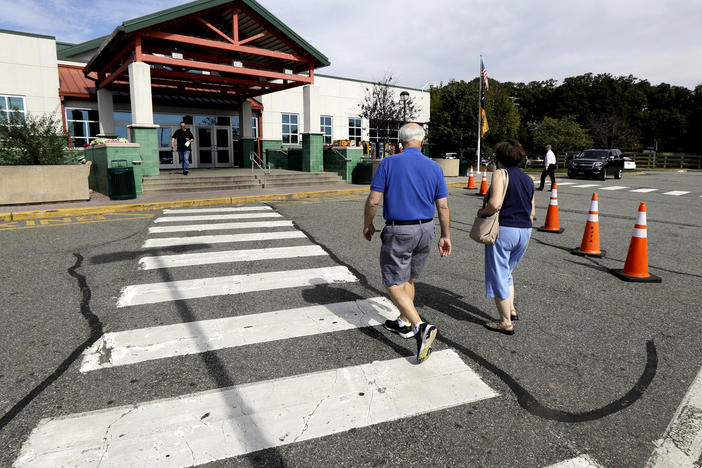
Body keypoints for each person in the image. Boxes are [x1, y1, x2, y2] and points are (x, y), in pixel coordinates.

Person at [363, 123, 452, 363]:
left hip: (400, 229)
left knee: (392, 281)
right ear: (422, 141)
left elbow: (373, 201)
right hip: (426, 229)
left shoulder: (389, 163)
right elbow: (442, 205)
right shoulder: (434, 167)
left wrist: (368, 224)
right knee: (409, 277)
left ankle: (420, 326)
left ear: (400, 142)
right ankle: (403, 321)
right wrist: (446, 235)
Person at [478, 140, 535, 335]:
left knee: (499, 275)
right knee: (507, 272)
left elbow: (495, 203)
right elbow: (532, 212)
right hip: (525, 231)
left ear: (500, 157)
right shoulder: (528, 179)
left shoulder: (501, 174)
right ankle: (511, 309)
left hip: (505, 229)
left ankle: (505, 322)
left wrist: (483, 213)